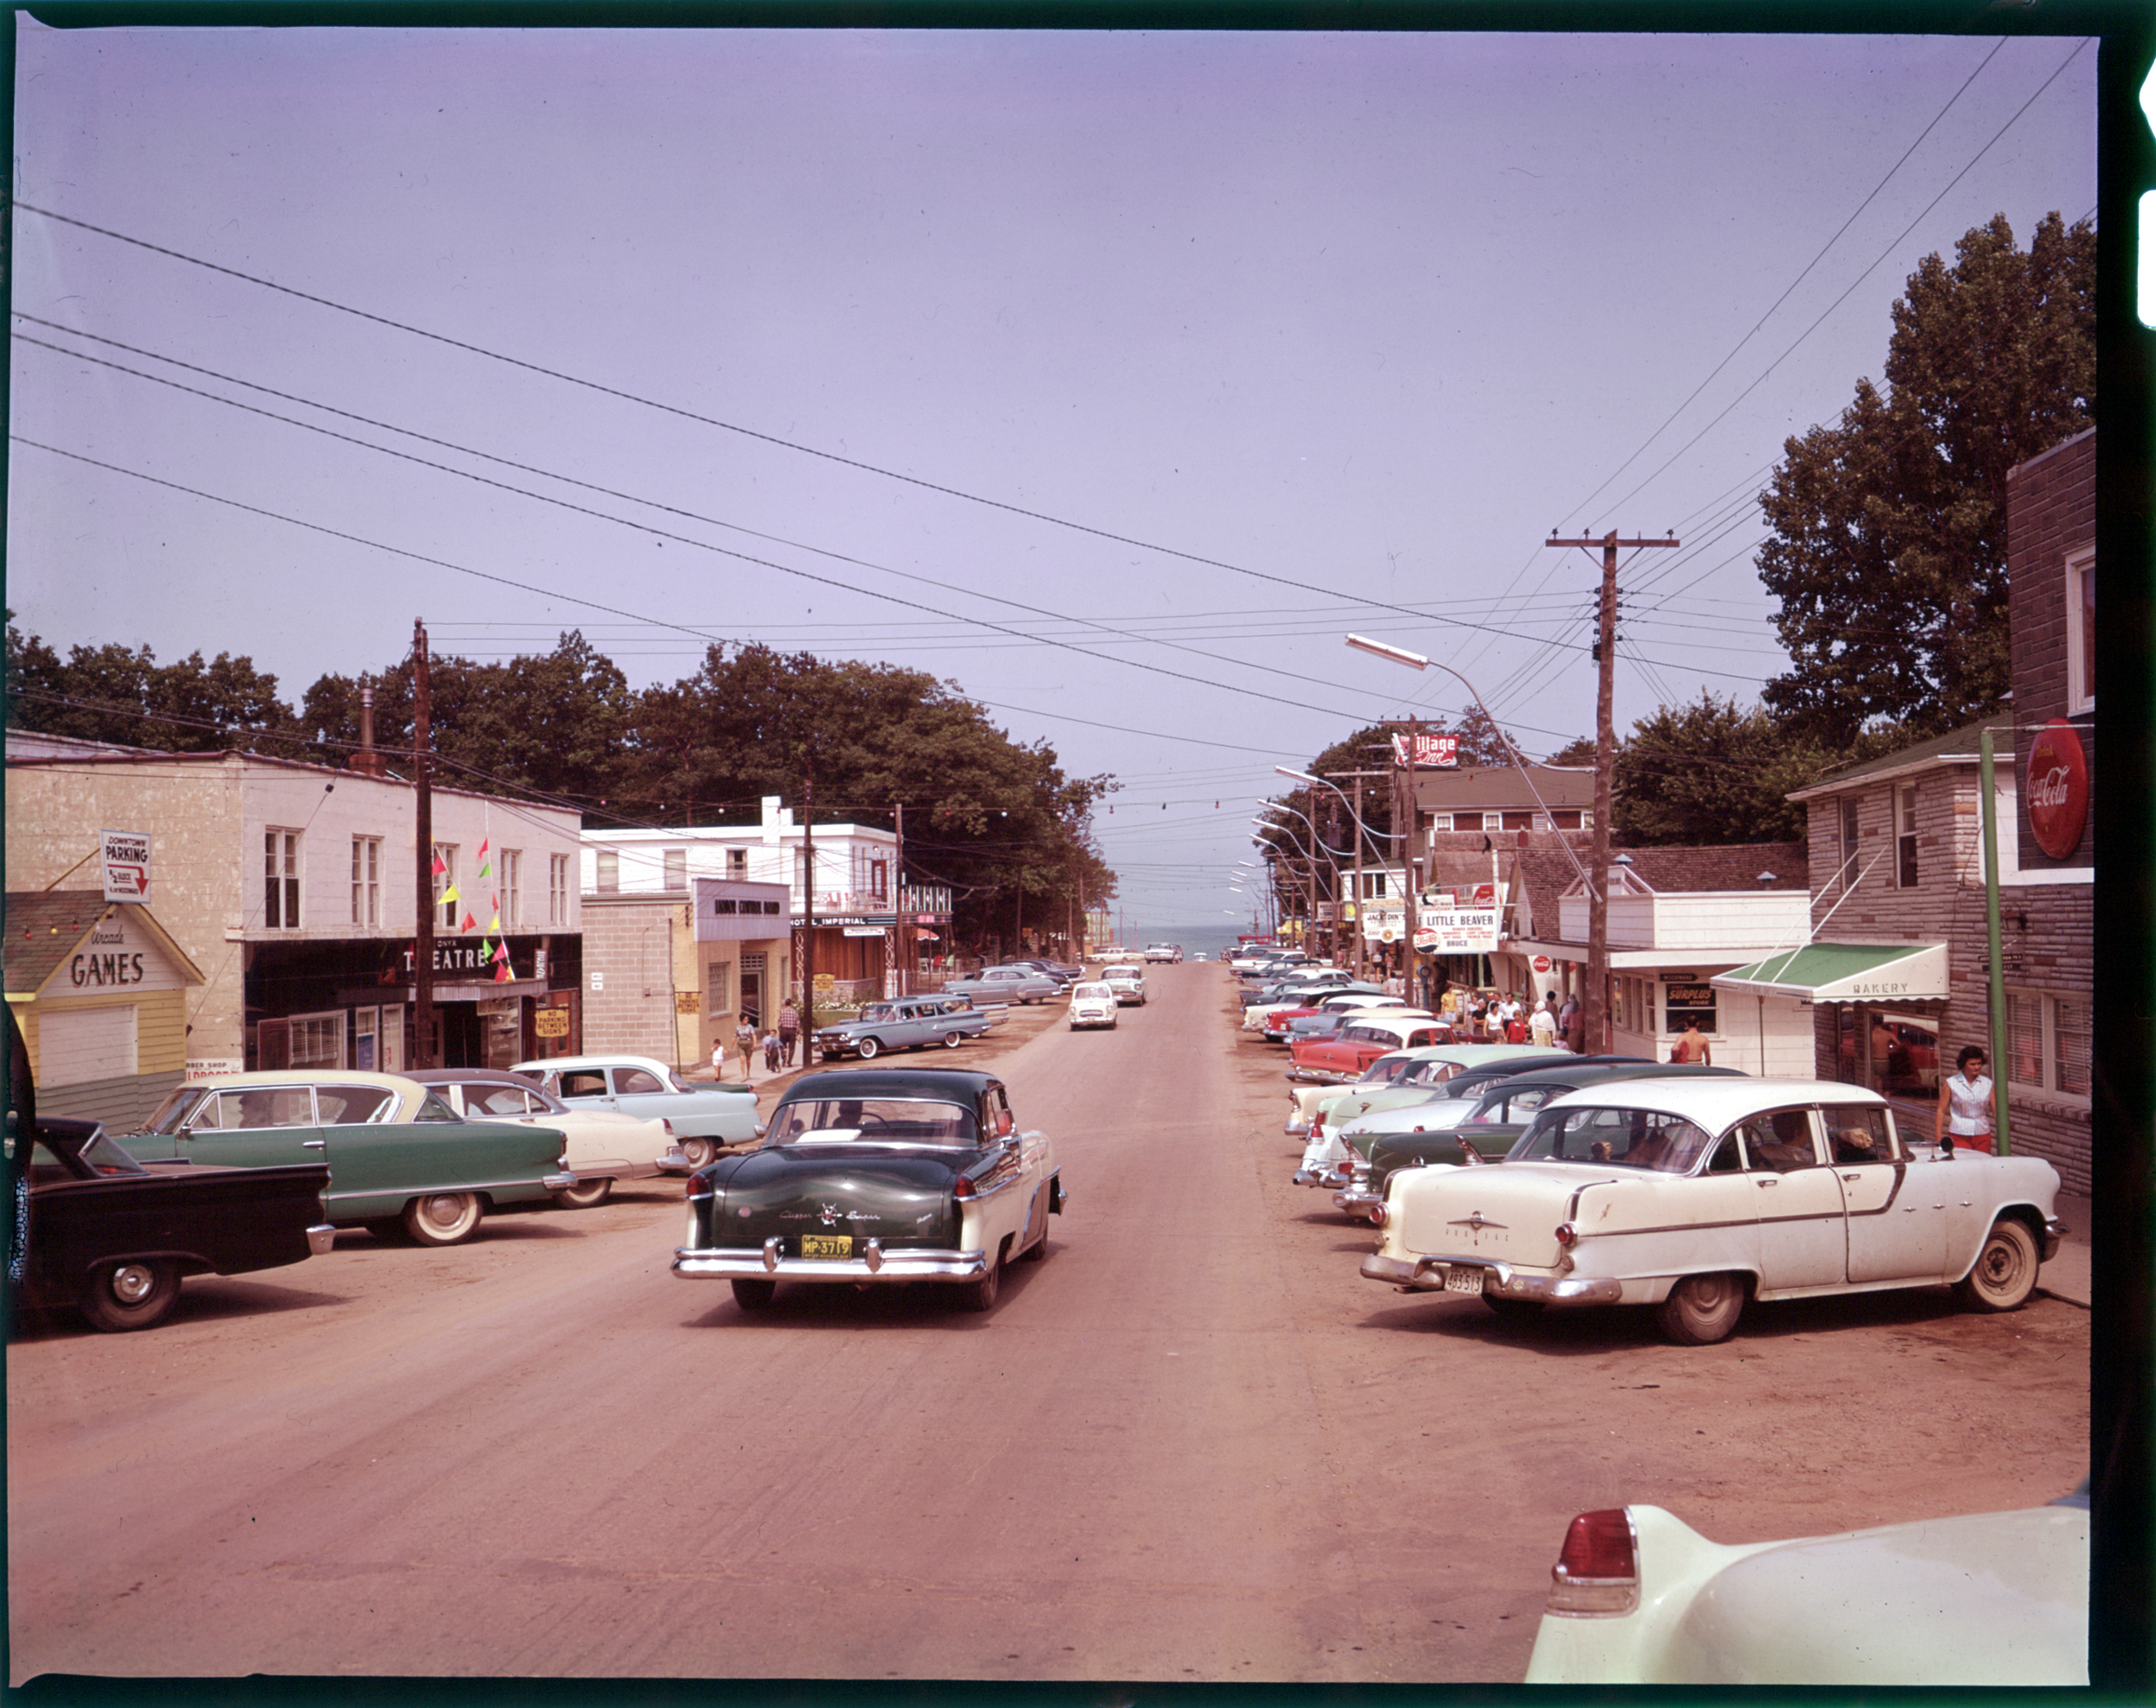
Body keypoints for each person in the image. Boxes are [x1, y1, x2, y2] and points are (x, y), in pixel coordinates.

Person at [1935, 1045, 1996, 1153]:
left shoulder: (1988, 1084)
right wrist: (1938, 1137)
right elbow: (1941, 1110)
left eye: (1979, 1063)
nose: (1977, 1067)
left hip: (1982, 1134)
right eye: (1972, 1064)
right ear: (1963, 1064)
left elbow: (1997, 1111)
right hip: (1959, 1135)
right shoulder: (1950, 1083)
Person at [778, 999, 801, 1067]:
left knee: (782, 1045)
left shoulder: (782, 1012)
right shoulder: (794, 1012)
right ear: (791, 1004)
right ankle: (789, 1061)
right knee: (792, 1047)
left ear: (785, 1004)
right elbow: (797, 1023)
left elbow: (779, 1022)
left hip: (784, 1030)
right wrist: (798, 1032)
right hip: (792, 1031)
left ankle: (784, 1056)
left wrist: (780, 1029)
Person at [735, 1014, 757, 1078]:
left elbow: (753, 1035)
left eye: (747, 1019)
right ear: (742, 1020)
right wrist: (731, 1047)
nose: (747, 1020)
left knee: (748, 1060)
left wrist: (755, 1043)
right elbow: (734, 1036)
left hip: (749, 1043)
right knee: (742, 1060)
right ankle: (743, 1075)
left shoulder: (750, 1026)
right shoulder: (738, 1027)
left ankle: (748, 1073)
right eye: (745, 1019)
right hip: (741, 1044)